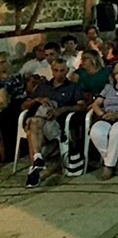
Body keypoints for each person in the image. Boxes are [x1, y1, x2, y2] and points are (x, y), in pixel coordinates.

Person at [22, 58, 86, 188]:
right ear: (52, 71)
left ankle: (34, 167)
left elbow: (81, 106)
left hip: (56, 125)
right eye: (56, 70)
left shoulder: (73, 87)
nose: (59, 73)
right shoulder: (43, 87)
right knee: (35, 122)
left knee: (34, 125)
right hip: (39, 124)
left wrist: (62, 110)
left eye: (62, 70)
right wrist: (38, 100)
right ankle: (37, 161)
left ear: (67, 71)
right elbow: (24, 105)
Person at [0, 52, 26, 162]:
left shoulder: (17, 77)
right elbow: (4, 101)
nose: (2, 65)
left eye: (4, 62)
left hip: (21, 104)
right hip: (8, 108)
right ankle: (9, 154)